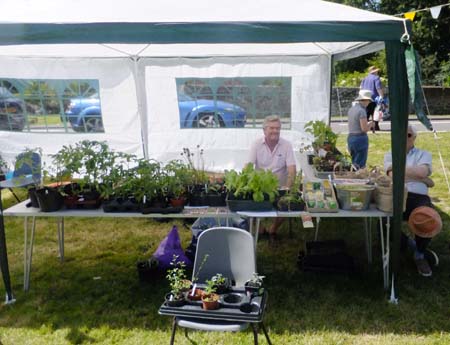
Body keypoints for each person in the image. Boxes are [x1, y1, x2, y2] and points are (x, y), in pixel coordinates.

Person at [384, 125, 442, 277]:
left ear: (414, 137)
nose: (404, 138)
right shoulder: (390, 153)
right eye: (401, 135)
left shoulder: (424, 154)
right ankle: (410, 245)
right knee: (383, 222)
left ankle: (419, 255)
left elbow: (421, 171)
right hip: (397, 194)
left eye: (408, 135)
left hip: (418, 196)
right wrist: (425, 180)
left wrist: (399, 169)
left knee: (427, 218)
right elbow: (391, 176)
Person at [248, 115, 296, 243]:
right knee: (247, 204)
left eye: (278, 128)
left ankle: (273, 229)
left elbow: (291, 168)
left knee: (287, 205)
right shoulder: (256, 144)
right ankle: (261, 229)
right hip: (261, 187)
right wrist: (244, 181)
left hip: (280, 186)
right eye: (272, 128)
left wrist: (288, 187)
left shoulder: (286, 145)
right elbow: (248, 166)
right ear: (264, 130)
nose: (275, 131)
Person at [347, 89, 373, 169]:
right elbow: (364, 129)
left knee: (354, 162)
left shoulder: (351, 109)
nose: (369, 103)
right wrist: (371, 124)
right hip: (360, 138)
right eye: (368, 101)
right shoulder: (362, 111)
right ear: (366, 100)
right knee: (360, 165)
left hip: (351, 137)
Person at [360, 66, 384, 132]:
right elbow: (378, 87)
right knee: (375, 112)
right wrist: (381, 96)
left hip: (365, 97)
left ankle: (364, 126)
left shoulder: (365, 78)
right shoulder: (376, 78)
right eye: (377, 71)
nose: (378, 72)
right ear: (375, 71)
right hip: (374, 98)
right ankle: (375, 126)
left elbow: (361, 87)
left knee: (367, 112)